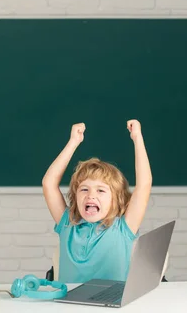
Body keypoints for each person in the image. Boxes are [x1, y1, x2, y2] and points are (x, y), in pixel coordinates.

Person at [42, 120, 153, 283]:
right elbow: (48, 183)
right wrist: (73, 143)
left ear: (116, 200)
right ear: (75, 196)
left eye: (101, 190)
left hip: (109, 306)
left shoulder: (123, 228)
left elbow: (144, 185)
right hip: (69, 306)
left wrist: (137, 138)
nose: (91, 196)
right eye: (84, 189)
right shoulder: (67, 224)